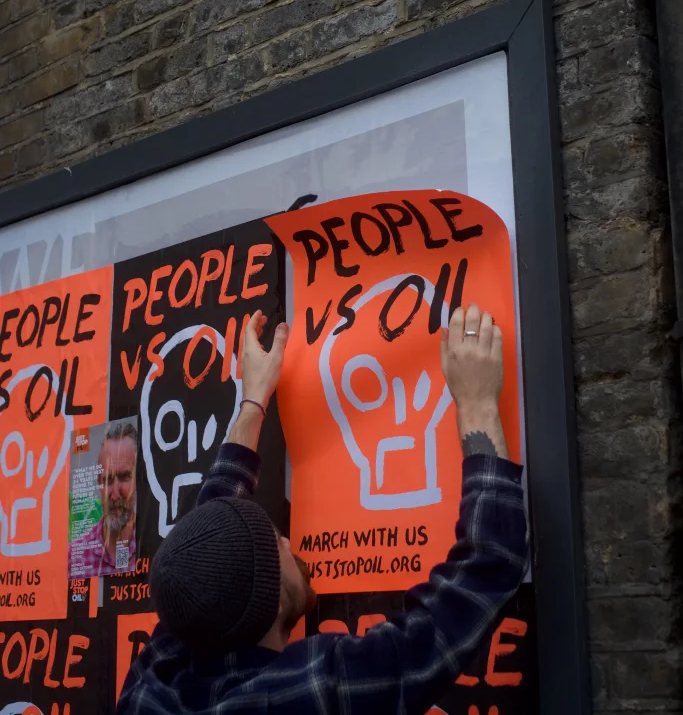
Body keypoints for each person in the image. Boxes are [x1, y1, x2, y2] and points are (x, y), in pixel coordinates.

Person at [117, 303, 527, 715]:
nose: (288, 539)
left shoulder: (149, 689)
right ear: (272, 603)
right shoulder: (310, 695)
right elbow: (486, 565)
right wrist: (477, 405)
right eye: (277, 547)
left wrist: (253, 402)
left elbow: (215, 522)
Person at [69, 421, 138, 577]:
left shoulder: (155, 544)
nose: (114, 494)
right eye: (107, 480)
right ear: (99, 484)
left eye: (124, 477)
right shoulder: (74, 557)